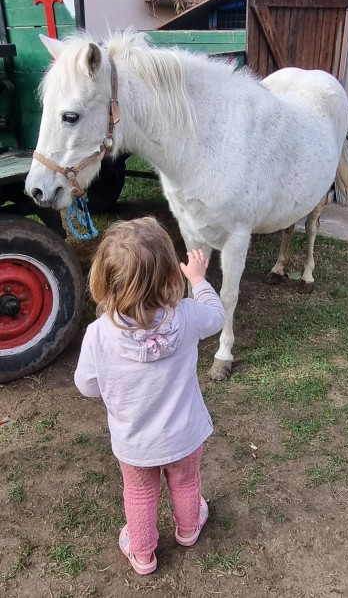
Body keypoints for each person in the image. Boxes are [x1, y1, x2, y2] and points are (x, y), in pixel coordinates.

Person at [74, 217, 225, 575]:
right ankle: (188, 529)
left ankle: (142, 553)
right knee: (186, 481)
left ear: (105, 279)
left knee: (140, 493)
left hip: (134, 444)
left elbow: (86, 385)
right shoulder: (187, 316)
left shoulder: (98, 334)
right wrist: (199, 281)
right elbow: (217, 317)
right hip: (185, 436)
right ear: (170, 275)